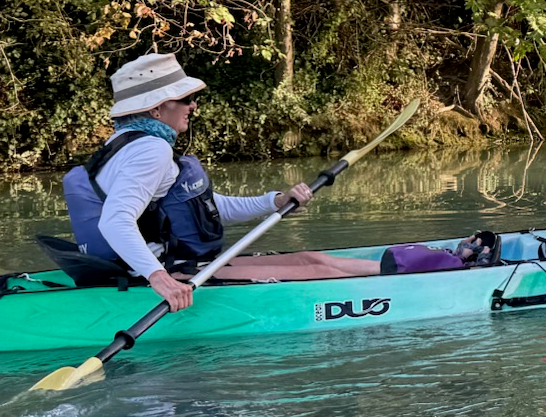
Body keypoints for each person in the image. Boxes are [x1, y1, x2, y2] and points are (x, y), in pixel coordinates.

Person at [62, 54, 381, 310]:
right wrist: (159, 278)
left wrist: (275, 201)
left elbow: (203, 208)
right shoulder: (151, 149)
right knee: (317, 272)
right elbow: (115, 221)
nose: (193, 105)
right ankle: (410, 275)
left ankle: (401, 268)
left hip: (159, 265)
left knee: (310, 260)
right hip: (161, 272)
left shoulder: (127, 144)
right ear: (158, 109)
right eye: (186, 99)